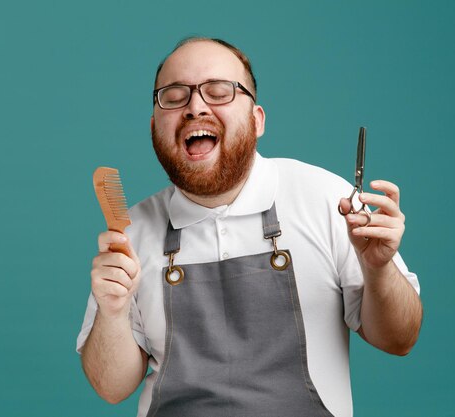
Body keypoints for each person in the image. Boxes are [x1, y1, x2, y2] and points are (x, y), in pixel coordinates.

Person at [76, 37, 423, 417]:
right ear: (155, 126)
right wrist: (111, 312)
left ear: (257, 120)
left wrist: (378, 269)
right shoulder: (133, 234)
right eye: (174, 96)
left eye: (219, 91)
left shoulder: (327, 199)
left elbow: (399, 339)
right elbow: (111, 389)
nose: (195, 107)